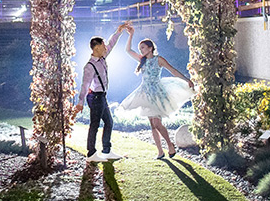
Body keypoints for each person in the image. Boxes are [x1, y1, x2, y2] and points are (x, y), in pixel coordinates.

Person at [118, 28, 195, 159]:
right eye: (140, 48)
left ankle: (170, 145)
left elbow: (173, 70)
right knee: (152, 125)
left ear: (150, 48)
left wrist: (187, 80)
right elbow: (128, 50)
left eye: (143, 47)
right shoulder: (142, 60)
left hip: (157, 93)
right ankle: (160, 151)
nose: (141, 50)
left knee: (157, 123)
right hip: (145, 93)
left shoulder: (158, 59)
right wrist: (131, 35)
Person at [74, 21, 133, 162]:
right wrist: (80, 102)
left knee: (109, 122)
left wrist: (119, 31)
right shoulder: (89, 66)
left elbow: (112, 43)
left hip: (101, 96)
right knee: (94, 124)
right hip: (95, 97)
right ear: (97, 47)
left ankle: (106, 150)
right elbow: (84, 85)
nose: (106, 47)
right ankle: (91, 154)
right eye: (103, 46)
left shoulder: (102, 58)